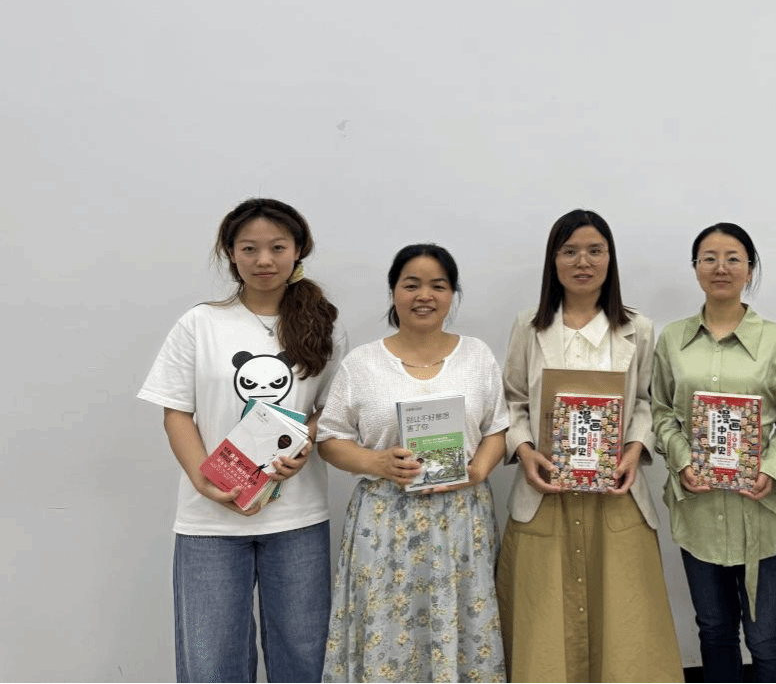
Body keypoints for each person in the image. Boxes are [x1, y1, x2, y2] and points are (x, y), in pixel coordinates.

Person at [137, 197, 347, 683]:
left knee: (305, 655)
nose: (264, 260)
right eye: (249, 248)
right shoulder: (200, 324)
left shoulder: (323, 325)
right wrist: (205, 483)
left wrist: (303, 442)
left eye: (277, 247)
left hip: (297, 516)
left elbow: (332, 410)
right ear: (230, 253)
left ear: (299, 250)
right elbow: (176, 412)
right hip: (209, 519)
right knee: (211, 662)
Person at [495, 209, 683, 683]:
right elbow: (511, 401)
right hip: (545, 492)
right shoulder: (529, 326)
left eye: (595, 251)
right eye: (570, 251)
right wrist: (524, 451)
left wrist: (634, 451)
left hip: (615, 493)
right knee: (543, 623)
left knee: (625, 623)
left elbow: (647, 403)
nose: (583, 262)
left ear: (610, 258)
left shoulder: (638, 328)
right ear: (553, 260)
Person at [317, 243, 508, 683]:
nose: (425, 296)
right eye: (412, 285)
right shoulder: (362, 363)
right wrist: (377, 461)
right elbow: (329, 439)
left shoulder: (477, 355)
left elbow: (498, 427)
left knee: (463, 626)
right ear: (393, 292)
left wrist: (479, 469)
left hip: (461, 518)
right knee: (387, 632)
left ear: (452, 293)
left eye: (438, 285)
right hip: (384, 520)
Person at [652, 222, 776, 684]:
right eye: (709, 258)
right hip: (699, 511)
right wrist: (682, 460)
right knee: (715, 631)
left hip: (763, 513)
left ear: (750, 268)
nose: (720, 268)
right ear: (695, 268)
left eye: (732, 258)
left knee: (767, 639)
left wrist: (771, 468)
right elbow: (660, 412)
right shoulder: (672, 339)